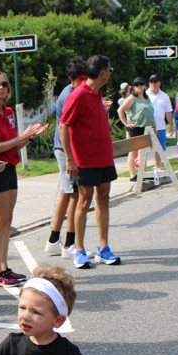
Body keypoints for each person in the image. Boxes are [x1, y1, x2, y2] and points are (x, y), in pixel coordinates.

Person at [0, 70, 46, 287]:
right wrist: (21, 137)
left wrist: (30, 137)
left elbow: (14, 145)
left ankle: (4, 267)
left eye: (5, 84)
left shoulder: (7, 112)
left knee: (7, 221)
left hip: (10, 167)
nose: (1, 87)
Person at [59, 55, 120, 269]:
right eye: (109, 70)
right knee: (84, 202)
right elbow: (64, 125)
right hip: (85, 160)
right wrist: (70, 159)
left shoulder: (97, 94)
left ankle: (103, 248)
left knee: (103, 199)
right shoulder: (78, 94)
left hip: (104, 157)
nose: (110, 73)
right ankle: (79, 250)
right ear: (102, 72)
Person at [44, 58, 85, 258]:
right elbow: (65, 127)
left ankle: (53, 240)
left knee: (67, 192)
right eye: (81, 79)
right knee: (74, 193)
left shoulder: (72, 92)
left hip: (66, 149)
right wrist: (70, 159)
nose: (84, 82)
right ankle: (69, 244)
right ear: (72, 79)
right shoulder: (69, 95)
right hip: (66, 150)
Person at [117, 77, 154, 180]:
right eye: (137, 85)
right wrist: (126, 123)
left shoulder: (147, 98)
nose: (139, 86)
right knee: (133, 151)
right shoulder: (132, 98)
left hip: (146, 127)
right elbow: (120, 110)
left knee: (143, 152)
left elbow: (150, 112)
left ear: (145, 85)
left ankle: (143, 173)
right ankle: (133, 175)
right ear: (134, 87)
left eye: (141, 84)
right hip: (136, 127)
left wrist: (153, 126)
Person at [146, 75, 174, 173]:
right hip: (147, 127)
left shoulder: (165, 96)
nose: (153, 83)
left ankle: (157, 167)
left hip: (161, 126)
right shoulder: (145, 95)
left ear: (159, 83)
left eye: (155, 81)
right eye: (151, 81)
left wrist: (171, 126)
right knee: (144, 149)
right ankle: (143, 170)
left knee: (160, 148)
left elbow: (168, 112)